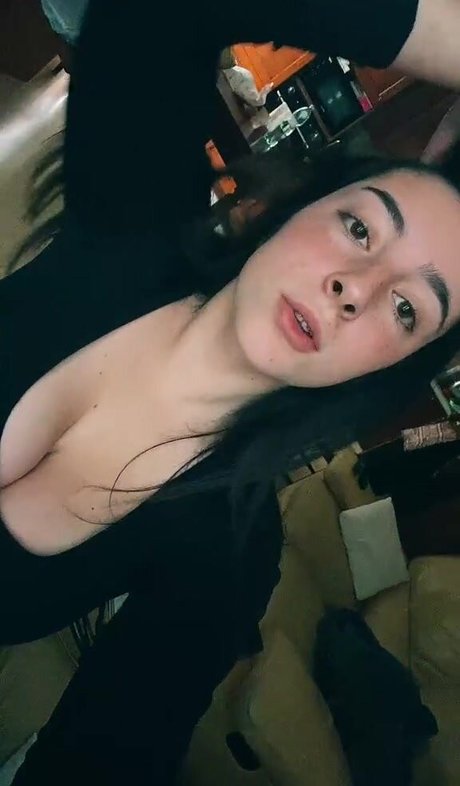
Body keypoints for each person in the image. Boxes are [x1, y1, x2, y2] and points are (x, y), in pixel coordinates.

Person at [3, 0, 460, 784]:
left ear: (388, 371)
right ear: (293, 209)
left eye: (408, 309)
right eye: (360, 229)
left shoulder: (230, 558)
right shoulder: (134, 219)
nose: (356, 288)